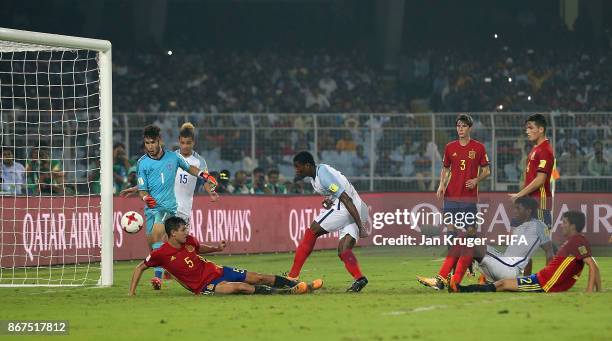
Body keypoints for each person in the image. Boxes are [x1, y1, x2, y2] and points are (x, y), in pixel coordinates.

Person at [121, 123, 218, 289]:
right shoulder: (142, 163)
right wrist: (145, 199)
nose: (150, 146)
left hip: (168, 207)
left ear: (159, 140)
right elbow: (143, 190)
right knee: (153, 247)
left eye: (153, 142)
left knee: (160, 236)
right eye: (147, 143)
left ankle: (158, 278)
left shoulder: (173, 157)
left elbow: (190, 168)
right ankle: (169, 270)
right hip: (151, 209)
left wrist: (203, 174)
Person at [129, 217, 322, 296]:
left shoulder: (189, 241)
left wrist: (216, 249)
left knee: (257, 277)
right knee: (241, 287)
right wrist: (132, 292)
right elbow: (140, 267)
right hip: (203, 286)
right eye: (182, 230)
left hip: (217, 271)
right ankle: (286, 293)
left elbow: (198, 248)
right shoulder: (160, 253)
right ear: (172, 234)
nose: (186, 232)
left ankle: (298, 285)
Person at [417, 114, 490, 290]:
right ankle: (450, 273)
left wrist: (476, 180)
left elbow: (487, 170)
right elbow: (445, 168)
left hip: (469, 198)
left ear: (469, 128)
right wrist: (441, 185)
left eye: (464, 126)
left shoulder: (478, 147)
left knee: (471, 232)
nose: (460, 129)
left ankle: (471, 266)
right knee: (451, 231)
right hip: (450, 196)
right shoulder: (450, 147)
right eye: (458, 126)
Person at [449, 211, 601, 293]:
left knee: (502, 284)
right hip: (541, 277)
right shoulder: (574, 242)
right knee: (502, 284)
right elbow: (593, 263)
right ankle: (462, 288)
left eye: (565, 223)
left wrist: (589, 291)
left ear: (573, 226)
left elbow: (591, 265)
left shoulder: (577, 241)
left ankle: (462, 289)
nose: (562, 225)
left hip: (544, 283)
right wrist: (599, 289)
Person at [287, 151, 370, 292]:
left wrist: (361, 226)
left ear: (307, 165)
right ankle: (359, 278)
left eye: (298, 166)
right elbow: (339, 191)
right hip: (360, 208)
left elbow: (346, 199)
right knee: (343, 250)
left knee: (312, 231)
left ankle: (292, 276)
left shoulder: (323, 176)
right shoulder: (319, 174)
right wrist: (329, 200)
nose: (296, 170)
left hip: (348, 208)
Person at [509, 113, 556, 274]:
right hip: (530, 203)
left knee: (547, 245)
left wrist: (519, 194)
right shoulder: (535, 150)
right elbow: (530, 178)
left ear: (541, 129)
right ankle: (525, 278)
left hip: (540, 202)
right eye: (526, 128)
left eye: (531, 128)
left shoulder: (545, 150)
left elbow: (540, 179)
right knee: (525, 243)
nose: (527, 131)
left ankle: (551, 277)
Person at [473, 197, 553, 283]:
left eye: (518, 208)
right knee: (473, 242)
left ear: (528, 211)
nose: (515, 211)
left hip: (509, 268)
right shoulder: (518, 227)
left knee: (472, 244)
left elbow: (549, 251)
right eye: (514, 208)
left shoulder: (539, 225)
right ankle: (484, 277)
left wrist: (547, 277)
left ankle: (459, 278)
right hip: (503, 264)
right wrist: (526, 281)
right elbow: (527, 259)